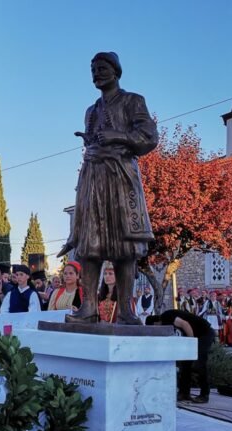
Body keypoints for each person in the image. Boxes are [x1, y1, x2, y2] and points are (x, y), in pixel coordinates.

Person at [58, 52, 158, 326]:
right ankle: (88, 306)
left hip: (120, 176)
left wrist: (120, 137)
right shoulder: (91, 110)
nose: (97, 73)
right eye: (93, 69)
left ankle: (125, 309)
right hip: (93, 176)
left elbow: (150, 138)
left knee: (125, 244)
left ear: (116, 71)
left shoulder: (132, 101)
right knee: (90, 243)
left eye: (102, 68)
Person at [146, 310, 213, 403]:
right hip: (194, 335)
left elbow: (185, 324)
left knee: (199, 363)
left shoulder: (166, 316)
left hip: (204, 333)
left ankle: (204, 394)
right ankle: (184, 393)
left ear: (155, 323)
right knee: (185, 364)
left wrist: (191, 343)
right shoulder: (165, 325)